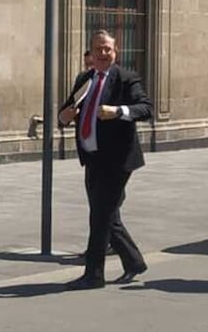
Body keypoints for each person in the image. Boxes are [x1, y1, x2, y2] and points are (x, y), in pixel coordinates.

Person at [58, 30, 151, 290]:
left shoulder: (126, 78)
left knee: (99, 217)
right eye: (98, 49)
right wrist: (63, 117)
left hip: (118, 159)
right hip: (91, 157)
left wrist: (118, 111)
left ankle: (94, 274)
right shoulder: (84, 79)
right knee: (106, 215)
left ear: (115, 51)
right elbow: (66, 112)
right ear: (91, 52)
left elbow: (146, 109)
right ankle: (133, 261)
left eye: (107, 49)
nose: (102, 53)